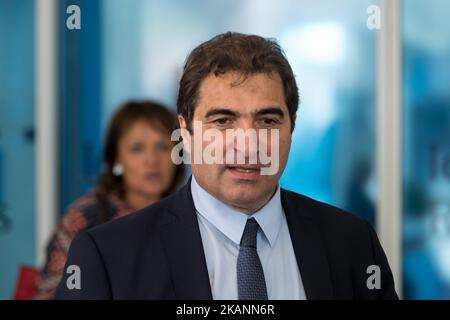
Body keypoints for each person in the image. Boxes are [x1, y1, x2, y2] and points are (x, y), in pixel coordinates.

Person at [55, 32, 398, 300]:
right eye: (222, 121)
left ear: (291, 129)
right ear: (186, 133)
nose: (247, 144)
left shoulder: (352, 243)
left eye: (267, 120)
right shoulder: (108, 257)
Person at [34, 101, 184, 299]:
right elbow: (53, 293)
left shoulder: (188, 214)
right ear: (116, 158)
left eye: (163, 147)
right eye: (137, 148)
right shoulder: (86, 217)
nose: (152, 160)